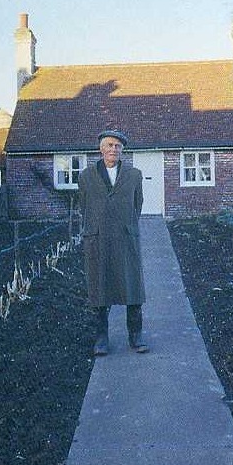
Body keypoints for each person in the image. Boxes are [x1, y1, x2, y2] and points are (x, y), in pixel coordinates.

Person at [78, 129, 148, 356]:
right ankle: (101, 339)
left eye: (117, 146)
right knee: (99, 289)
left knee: (133, 288)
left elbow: (137, 205)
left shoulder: (134, 175)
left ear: (122, 150)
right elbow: (84, 207)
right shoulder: (86, 176)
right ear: (101, 148)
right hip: (98, 240)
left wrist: (124, 224)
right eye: (109, 145)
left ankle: (135, 337)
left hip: (126, 239)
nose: (113, 150)